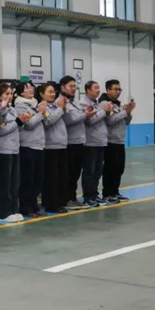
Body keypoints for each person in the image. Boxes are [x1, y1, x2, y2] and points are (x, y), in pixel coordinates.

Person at [58, 76, 91, 210]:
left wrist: (86, 113)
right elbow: (68, 120)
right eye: (70, 86)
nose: (73, 89)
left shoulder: (74, 102)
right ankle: (66, 199)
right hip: (69, 143)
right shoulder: (61, 102)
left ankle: (73, 197)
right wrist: (85, 115)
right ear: (62, 87)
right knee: (68, 173)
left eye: (74, 86)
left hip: (79, 141)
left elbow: (78, 116)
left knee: (76, 173)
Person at [0, 83, 24, 224]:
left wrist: (21, 122)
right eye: (6, 94)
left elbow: (17, 128)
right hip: (3, 150)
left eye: (11, 93)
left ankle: (13, 209)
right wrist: (17, 122)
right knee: (4, 182)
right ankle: (3, 212)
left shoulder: (12, 109)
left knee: (14, 182)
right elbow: (2, 130)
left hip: (14, 148)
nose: (10, 96)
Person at [100, 80, 135, 203]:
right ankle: (107, 193)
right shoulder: (105, 103)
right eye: (116, 89)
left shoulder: (118, 104)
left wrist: (128, 113)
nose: (118, 92)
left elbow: (126, 122)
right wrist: (124, 112)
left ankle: (115, 191)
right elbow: (110, 121)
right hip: (110, 141)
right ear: (108, 90)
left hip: (120, 141)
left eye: (120, 89)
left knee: (119, 168)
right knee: (110, 169)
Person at [15, 81, 45, 218]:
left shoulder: (35, 104)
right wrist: (41, 113)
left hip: (39, 145)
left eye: (31, 87)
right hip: (27, 146)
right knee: (27, 180)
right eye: (27, 88)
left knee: (37, 179)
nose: (31, 89)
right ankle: (26, 207)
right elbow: (29, 124)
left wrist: (39, 112)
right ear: (21, 92)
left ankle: (34, 205)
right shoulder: (20, 105)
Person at [81, 81, 112, 207]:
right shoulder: (83, 103)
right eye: (95, 88)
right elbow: (91, 121)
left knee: (98, 171)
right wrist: (104, 111)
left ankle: (94, 194)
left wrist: (107, 112)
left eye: (99, 88)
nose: (98, 90)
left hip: (101, 141)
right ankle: (88, 196)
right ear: (88, 90)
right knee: (90, 171)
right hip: (90, 143)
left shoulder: (97, 103)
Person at [41, 82, 69, 214]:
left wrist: (62, 108)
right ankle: (51, 204)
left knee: (61, 177)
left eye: (54, 92)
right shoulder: (43, 106)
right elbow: (48, 121)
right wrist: (60, 109)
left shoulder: (56, 106)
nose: (53, 94)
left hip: (61, 145)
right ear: (42, 94)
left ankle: (60, 201)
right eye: (50, 92)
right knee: (52, 178)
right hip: (50, 146)